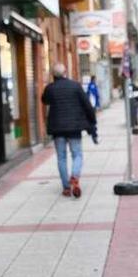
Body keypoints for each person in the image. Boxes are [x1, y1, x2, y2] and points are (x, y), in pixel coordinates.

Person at [41, 64, 97, 198]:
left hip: (57, 128)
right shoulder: (75, 86)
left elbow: (44, 100)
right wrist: (92, 121)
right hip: (74, 127)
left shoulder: (50, 88)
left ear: (53, 75)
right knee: (77, 154)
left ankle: (66, 187)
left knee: (61, 157)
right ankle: (75, 177)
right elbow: (87, 104)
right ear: (65, 73)